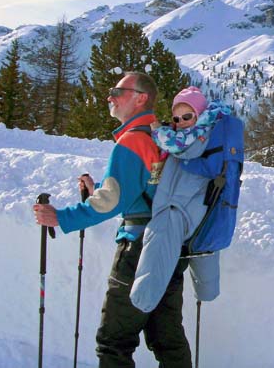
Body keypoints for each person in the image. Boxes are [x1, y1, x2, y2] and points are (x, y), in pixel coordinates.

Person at [33, 71, 192, 368]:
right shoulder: (164, 139)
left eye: (118, 92)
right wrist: (100, 190)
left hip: (137, 251)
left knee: (113, 343)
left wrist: (61, 217)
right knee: (168, 341)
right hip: (169, 245)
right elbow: (144, 189)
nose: (110, 97)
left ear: (140, 98)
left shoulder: (132, 141)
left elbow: (112, 200)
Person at [130, 86, 228, 313]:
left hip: (178, 210)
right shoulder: (204, 135)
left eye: (187, 116)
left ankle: (140, 302)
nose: (182, 122)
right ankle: (206, 292)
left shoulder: (197, 136)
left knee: (157, 246)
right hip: (192, 211)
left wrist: (158, 131)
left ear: (200, 115)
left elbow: (180, 147)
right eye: (177, 118)